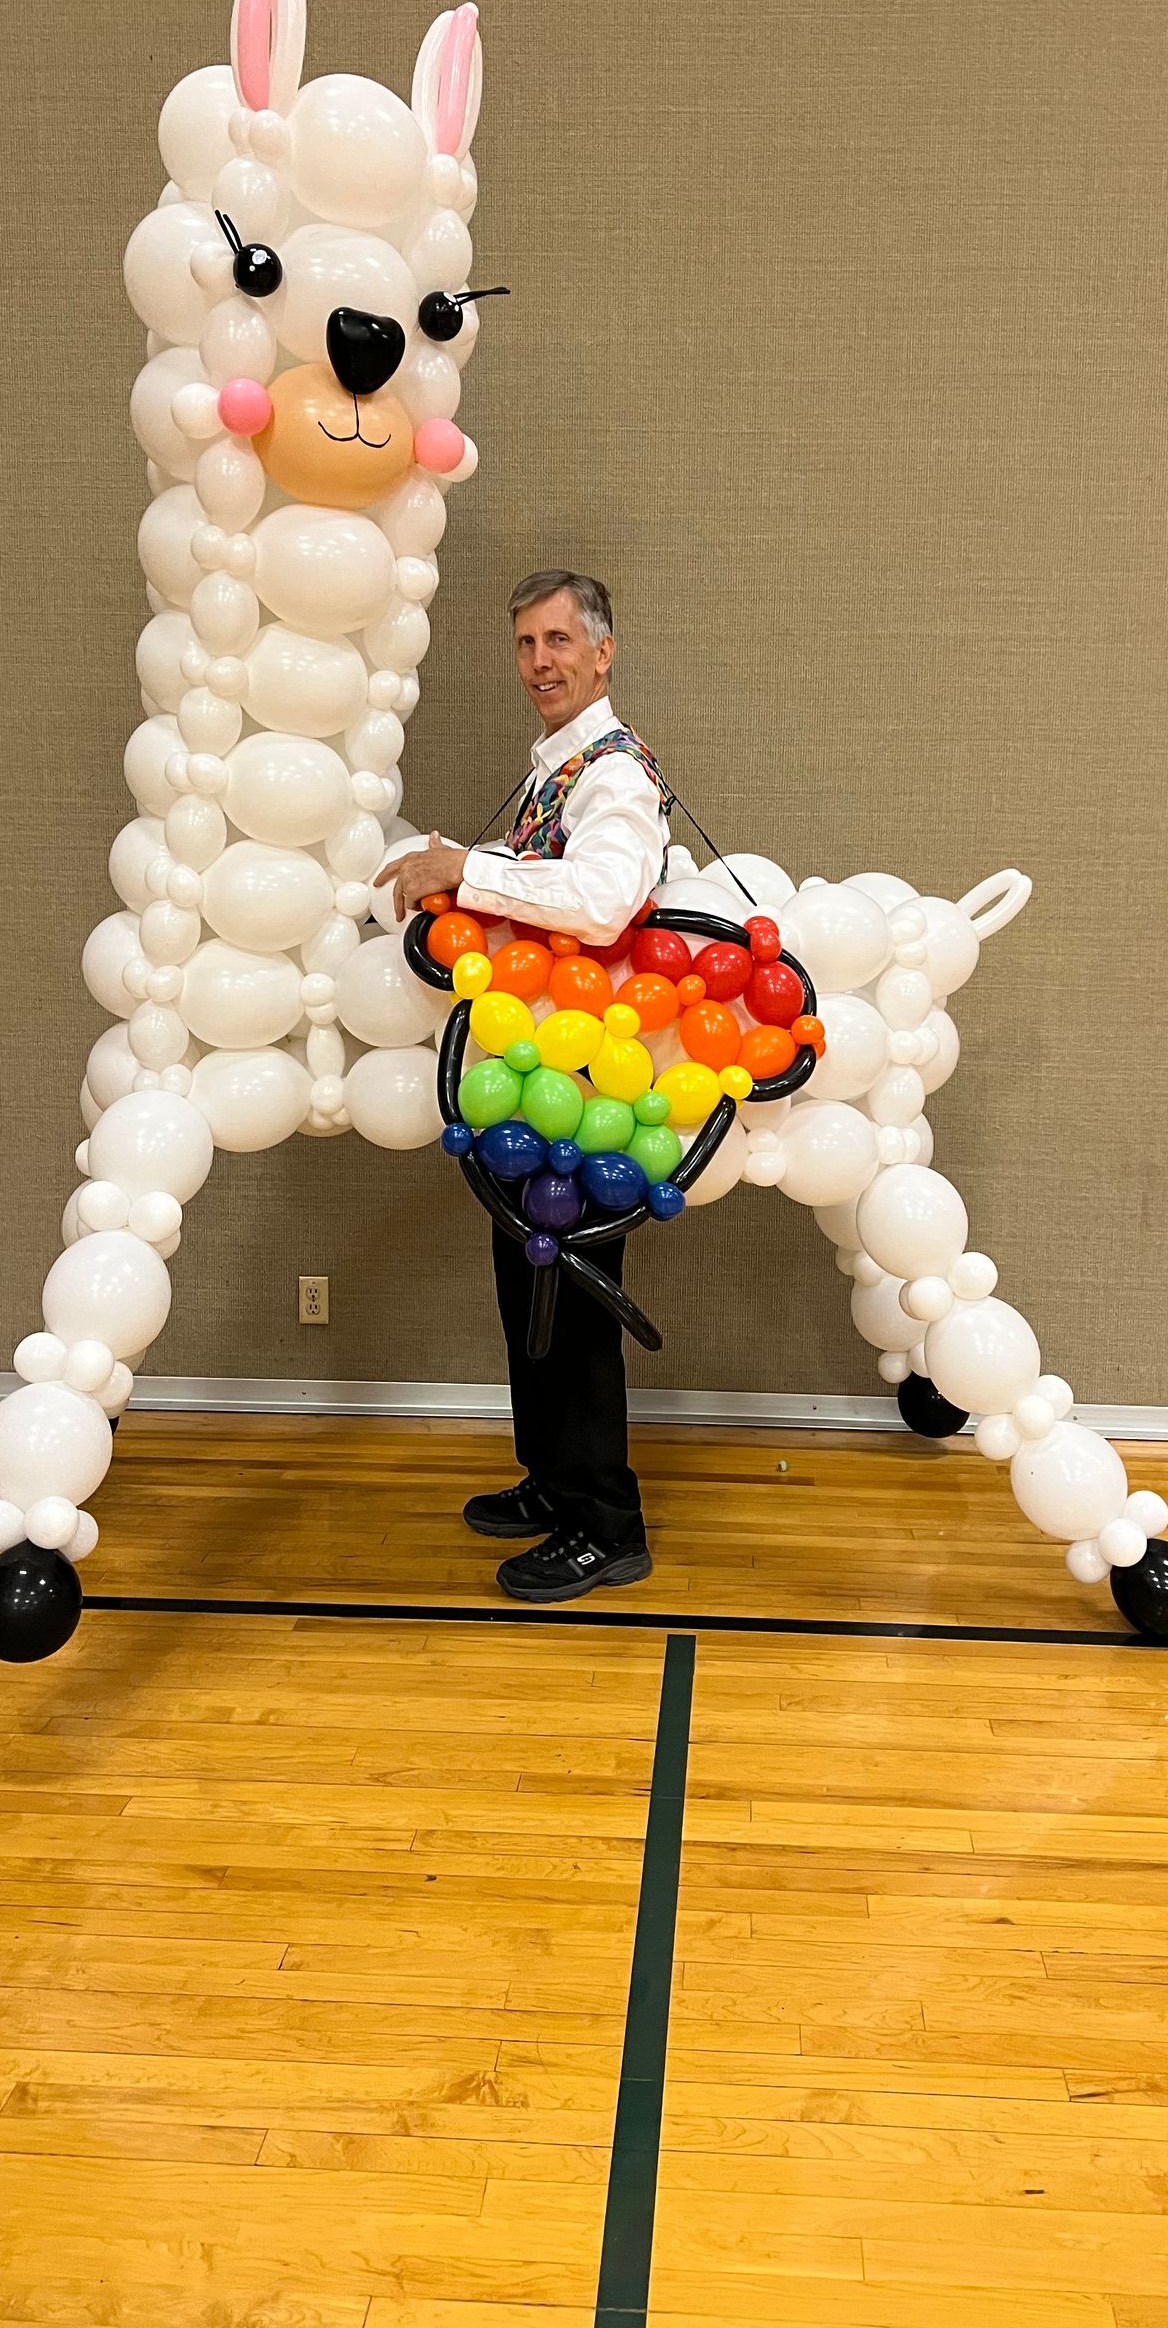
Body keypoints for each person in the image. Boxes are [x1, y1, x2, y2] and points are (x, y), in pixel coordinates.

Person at [376, 570, 669, 1603]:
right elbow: (543, 880)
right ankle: (553, 1482)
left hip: (590, 1085)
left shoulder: (615, 776)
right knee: (531, 1284)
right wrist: (454, 863)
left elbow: (600, 901)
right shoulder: (556, 770)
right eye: (525, 643)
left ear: (603, 650)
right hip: (537, 1083)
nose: (540, 661)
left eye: (558, 640)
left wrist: (472, 869)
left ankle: (605, 1524)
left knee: (573, 1302)